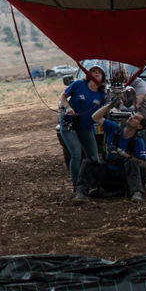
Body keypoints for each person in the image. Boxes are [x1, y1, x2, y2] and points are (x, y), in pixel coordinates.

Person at [76, 98, 146, 202]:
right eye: (132, 115)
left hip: (124, 174)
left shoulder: (137, 141)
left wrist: (122, 154)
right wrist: (110, 105)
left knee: (132, 162)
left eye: (135, 118)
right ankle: (81, 193)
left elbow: (141, 163)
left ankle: (136, 193)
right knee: (87, 163)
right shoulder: (114, 128)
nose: (131, 117)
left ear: (139, 126)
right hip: (108, 171)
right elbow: (95, 117)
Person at [58, 65, 106, 196]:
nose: (96, 73)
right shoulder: (79, 84)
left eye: (99, 72)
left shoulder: (102, 95)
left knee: (94, 157)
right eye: (93, 71)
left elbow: (103, 113)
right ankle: (77, 186)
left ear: (102, 78)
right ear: (88, 75)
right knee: (76, 153)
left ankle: (95, 184)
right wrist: (68, 107)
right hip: (70, 125)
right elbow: (62, 96)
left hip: (85, 127)